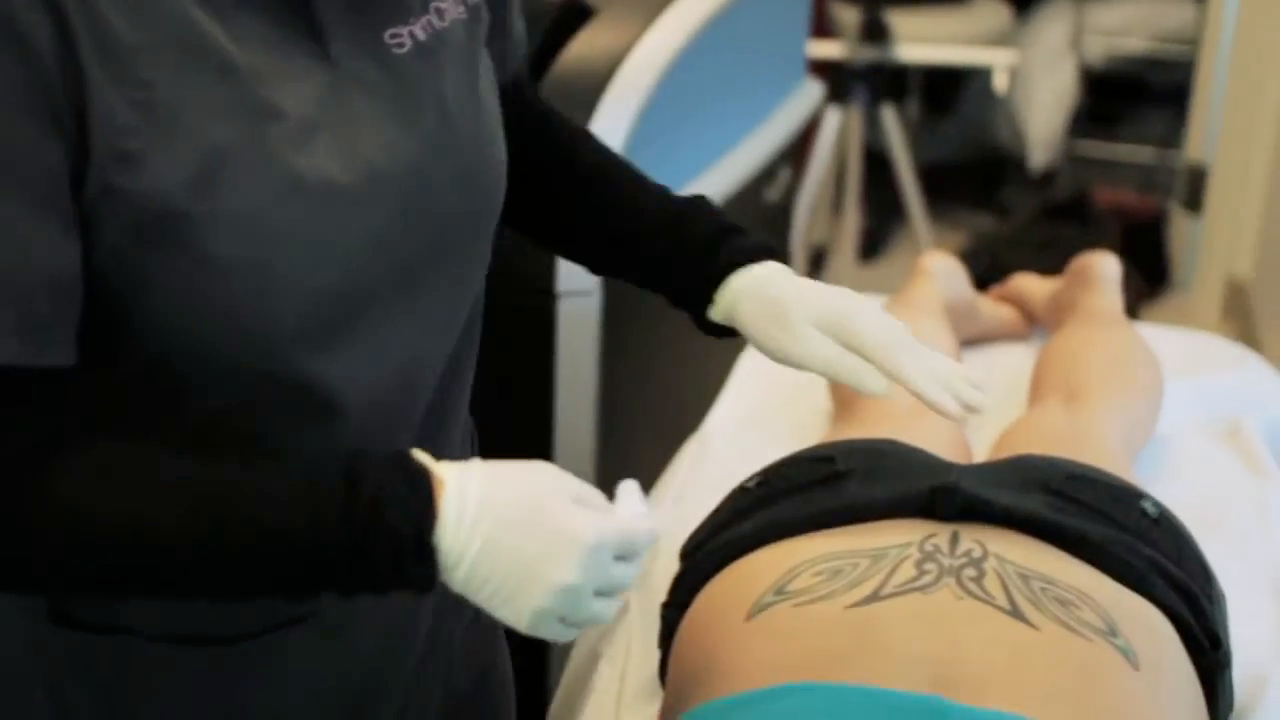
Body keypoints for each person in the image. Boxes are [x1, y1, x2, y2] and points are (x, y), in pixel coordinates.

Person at [0, 1, 987, 719]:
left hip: (429, 627)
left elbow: (487, 108)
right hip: (167, 655)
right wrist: (429, 520)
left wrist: (722, 270)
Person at [659, 249, 1231, 720]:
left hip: (822, 542)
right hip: (829, 536)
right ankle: (1080, 292)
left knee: (1065, 418)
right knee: (1059, 416)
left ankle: (1029, 290)